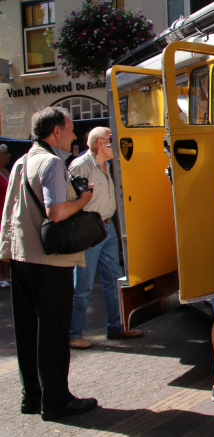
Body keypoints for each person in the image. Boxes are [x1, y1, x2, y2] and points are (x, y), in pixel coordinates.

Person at [0, 107, 98, 420]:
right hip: (49, 258)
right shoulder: (52, 162)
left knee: (27, 329)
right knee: (53, 330)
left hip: (21, 255)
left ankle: (32, 396)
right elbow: (55, 212)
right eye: (70, 129)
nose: (74, 135)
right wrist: (82, 201)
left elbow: (11, 211)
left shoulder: (22, 161)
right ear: (56, 132)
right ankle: (56, 400)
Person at [68, 127, 143, 349]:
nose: (117, 145)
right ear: (100, 143)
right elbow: (70, 200)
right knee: (83, 285)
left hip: (107, 228)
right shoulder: (80, 166)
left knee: (114, 279)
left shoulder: (108, 165)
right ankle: (73, 334)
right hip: (88, 231)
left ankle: (116, 326)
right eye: (112, 141)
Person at [0, 145, 9, 288]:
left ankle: (8, 275)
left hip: (6, 213)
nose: (9, 155)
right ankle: (1, 277)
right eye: (6, 153)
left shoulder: (6, 171)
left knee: (7, 244)